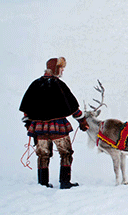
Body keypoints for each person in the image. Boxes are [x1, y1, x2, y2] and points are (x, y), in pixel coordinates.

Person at [19, 57, 89, 189]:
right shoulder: (59, 85)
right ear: (56, 69)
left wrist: (29, 124)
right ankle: (65, 182)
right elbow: (74, 108)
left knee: (43, 155)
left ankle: (43, 183)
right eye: (61, 68)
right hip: (58, 127)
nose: (62, 71)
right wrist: (83, 122)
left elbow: (25, 110)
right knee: (66, 153)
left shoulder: (35, 84)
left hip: (39, 128)